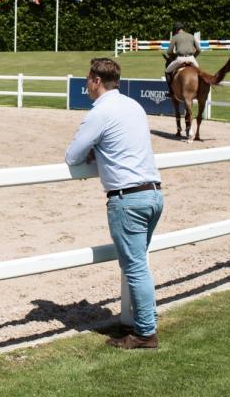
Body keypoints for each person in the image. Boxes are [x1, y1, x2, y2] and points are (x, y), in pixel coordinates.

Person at [65, 58, 164, 349]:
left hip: (128, 199)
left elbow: (73, 156)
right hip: (154, 193)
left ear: (96, 80)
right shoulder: (134, 106)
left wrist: (95, 150)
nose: (86, 84)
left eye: (88, 79)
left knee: (135, 268)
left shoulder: (100, 112)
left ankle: (146, 333)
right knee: (138, 264)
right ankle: (140, 324)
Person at [165, 22, 201, 89]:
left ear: (176, 30)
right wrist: (193, 57)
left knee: (167, 71)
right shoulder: (191, 36)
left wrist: (174, 56)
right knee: (201, 73)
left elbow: (169, 51)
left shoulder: (175, 37)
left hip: (180, 59)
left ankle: (171, 91)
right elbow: (199, 50)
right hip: (191, 58)